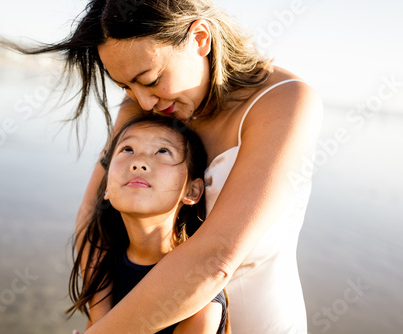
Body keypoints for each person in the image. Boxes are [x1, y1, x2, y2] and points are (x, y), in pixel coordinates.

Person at [22, 0, 323, 332]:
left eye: (150, 79)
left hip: (255, 314)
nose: (143, 102)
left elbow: (215, 259)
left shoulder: (285, 102)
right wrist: (101, 316)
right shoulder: (146, 100)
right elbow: (92, 212)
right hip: (140, 313)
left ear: (200, 39)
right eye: (124, 86)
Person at [68, 114, 228, 333]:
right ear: (106, 187)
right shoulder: (104, 265)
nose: (139, 162)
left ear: (192, 191)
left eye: (163, 151)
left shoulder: (199, 298)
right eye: (127, 149)